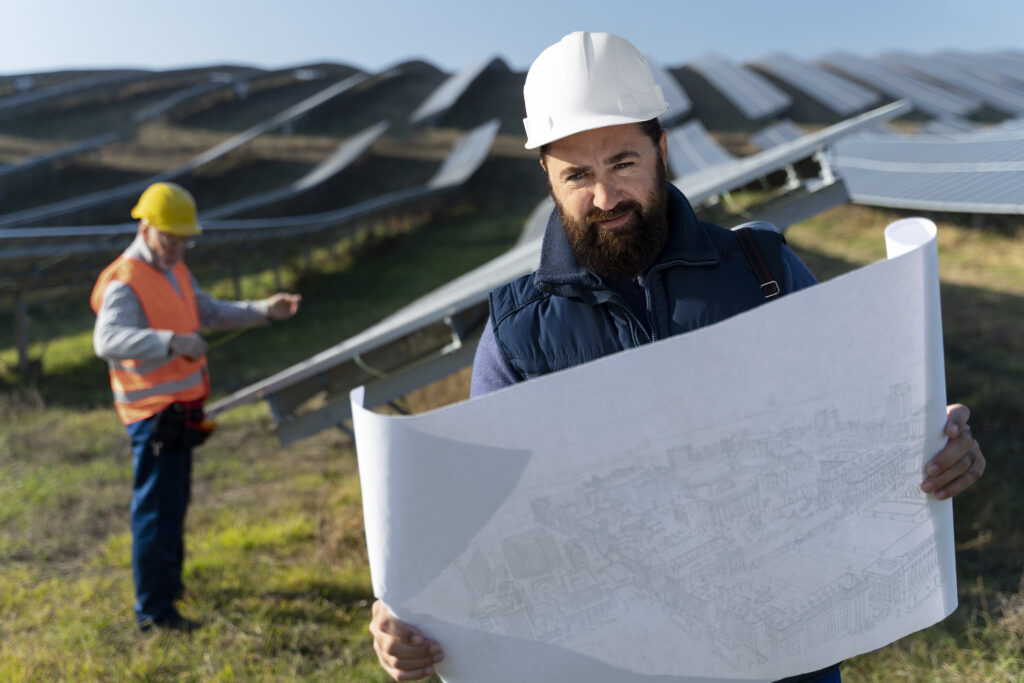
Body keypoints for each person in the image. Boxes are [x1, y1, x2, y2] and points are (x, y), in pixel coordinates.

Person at [369, 32, 987, 682]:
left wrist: (937, 443)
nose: (606, 197)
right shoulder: (517, 335)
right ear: (546, 177)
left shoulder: (763, 270)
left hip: (786, 659)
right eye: (578, 174)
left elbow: (869, 421)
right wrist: (406, 617)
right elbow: (472, 527)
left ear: (662, 151)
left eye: (623, 163)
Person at [91, 181, 302, 632]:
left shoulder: (176, 270)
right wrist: (171, 343)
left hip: (179, 414)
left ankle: (170, 587)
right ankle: (155, 612)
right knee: (155, 511)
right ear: (146, 228)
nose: (179, 247)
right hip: (152, 419)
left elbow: (209, 311)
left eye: (185, 239)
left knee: (174, 505)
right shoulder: (126, 281)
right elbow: (106, 341)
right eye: (171, 238)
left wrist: (264, 309)